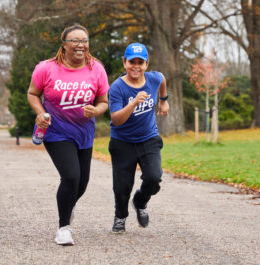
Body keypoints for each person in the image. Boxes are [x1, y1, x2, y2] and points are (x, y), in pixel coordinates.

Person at [27, 24, 109, 245]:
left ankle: (67, 206)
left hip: (84, 132)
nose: (80, 45)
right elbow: (33, 93)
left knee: (82, 183)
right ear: (63, 45)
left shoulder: (97, 69)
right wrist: (41, 112)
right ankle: (64, 228)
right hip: (56, 131)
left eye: (84, 40)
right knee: (71, 176)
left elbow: (103, 101)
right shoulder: (47, 68)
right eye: (74, 41)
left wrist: (97, 110)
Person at [108, 43, 169, 233]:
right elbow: (116, 120)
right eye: (131, 62)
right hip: (122, 141)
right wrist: (134, 102)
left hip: (148, 138)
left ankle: (140, 201)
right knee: (122, 186)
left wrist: (164, 101)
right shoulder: (118, 88)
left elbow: (163, 80)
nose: (136, 66)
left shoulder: (153, 78)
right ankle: (120, 216)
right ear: (124, 63)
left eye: (140, 62)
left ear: (146, 64)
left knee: (154, 177)